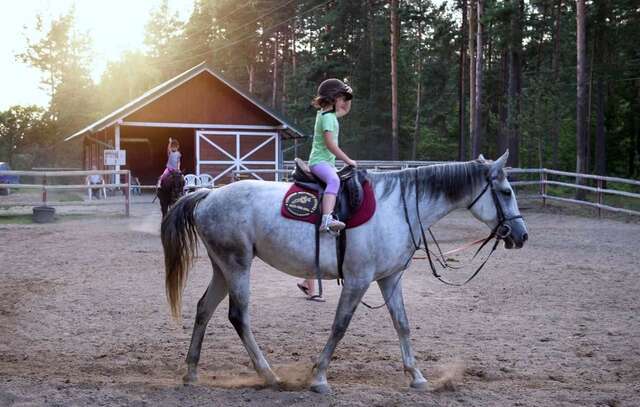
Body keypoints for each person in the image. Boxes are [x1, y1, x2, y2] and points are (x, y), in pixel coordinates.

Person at [298, 78, 356, 301]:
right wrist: (349, 160)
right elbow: (332, 146)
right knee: (335, 182)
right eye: (341, 98)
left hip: (324, 161)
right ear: (333, 98)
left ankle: (307, 282)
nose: (344, 102)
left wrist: (349, 98)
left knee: (335, 181)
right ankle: (326, 219)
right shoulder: (328, 120)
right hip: (321, 162)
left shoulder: (327, 115)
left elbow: (344, 112)